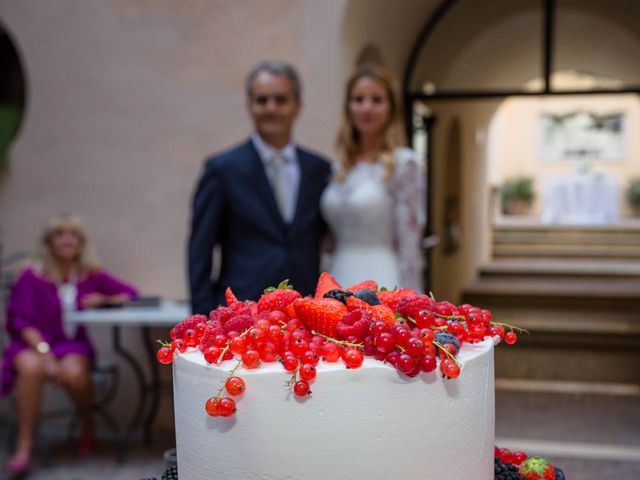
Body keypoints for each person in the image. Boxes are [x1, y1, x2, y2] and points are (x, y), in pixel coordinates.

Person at [188, 60, 331, 314]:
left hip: (305, 310)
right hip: (243, 311)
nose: (271, 108)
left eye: (280, 99)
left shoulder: (319, 170)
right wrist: (205, 315)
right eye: (262, 100)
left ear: (298, 105)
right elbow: (200, 251)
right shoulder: (222, 170)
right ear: (249, 105)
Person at [1, 213, 137, 475]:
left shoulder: (88, 275)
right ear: (49, 241)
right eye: (59, 234)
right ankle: (24, 445)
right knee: (30, 368)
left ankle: (87, 420)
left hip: (71, 344)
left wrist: (102, 300)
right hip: (31, 344)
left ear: (81, 241)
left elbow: (130, 293)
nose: (66, 239)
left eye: (72, 234)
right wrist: (46, 356)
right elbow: (20, 321)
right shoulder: (32, 274)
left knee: (74, 374)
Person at [321, 64, 426, 291]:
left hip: (381, 277)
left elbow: (409, 243)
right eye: (358, 99)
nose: (366, 107)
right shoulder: (341, 166)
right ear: (348, 106)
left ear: (391, 108)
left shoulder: (403, 164)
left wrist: (411, 298)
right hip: (337, 274)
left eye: (376, 100)